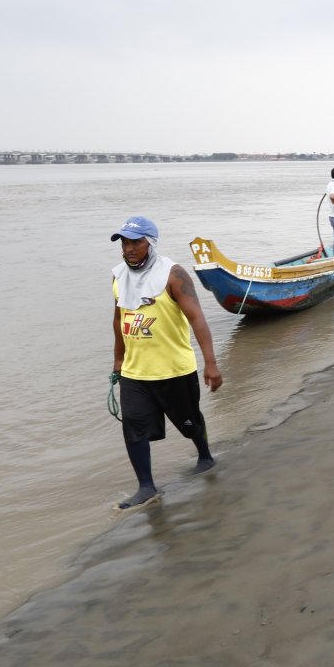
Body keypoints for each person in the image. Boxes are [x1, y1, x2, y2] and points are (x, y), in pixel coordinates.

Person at [110, 216, 223, 509]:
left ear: (151, 243)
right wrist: (118, 359)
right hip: (135, 372)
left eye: (136, 242)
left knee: (189, 423)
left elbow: (197, 317)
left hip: (175, 369)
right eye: (124, 242)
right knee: (133, 427)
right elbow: (119, 318)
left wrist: (210, 363)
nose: (128, 248)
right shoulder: (118, 276)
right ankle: (146, 487)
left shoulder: (173, 274)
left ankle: (204, 454)